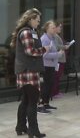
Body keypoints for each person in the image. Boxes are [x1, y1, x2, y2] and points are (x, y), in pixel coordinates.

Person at [10, 8, 49, 137]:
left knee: (26, 101)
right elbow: (30, 51)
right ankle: (33, 130)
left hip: (26, 71)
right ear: (31, 19)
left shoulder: (30, 31)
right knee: (32, 102)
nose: (39, 23)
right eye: (37, 20)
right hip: (28, 72)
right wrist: (44, 49)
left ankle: (20, 127)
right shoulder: (26, 32)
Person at [38, 20, 64, 113]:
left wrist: (57, 54)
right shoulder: (45, 39)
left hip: (51, 65)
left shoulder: (51, 38)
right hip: (46, 66)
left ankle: (46, 103)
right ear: (46, 29)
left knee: (50, 84)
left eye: (54, 27)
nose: (54, 29)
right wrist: (57, 54)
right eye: (52, 28)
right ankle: (40, 105)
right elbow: (44, 55)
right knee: (46, 85)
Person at [52, 21, 70, 98]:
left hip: (60, 59)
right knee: (56, 76)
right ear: (55, 27)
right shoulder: (54, 36)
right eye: (59, 27)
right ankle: (54, 93)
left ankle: (56, 91)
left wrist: (65, 45)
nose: (61, 28)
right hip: (58, 59)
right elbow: (56, 46)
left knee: (57, 77)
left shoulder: (57, 36)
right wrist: (64, 47)